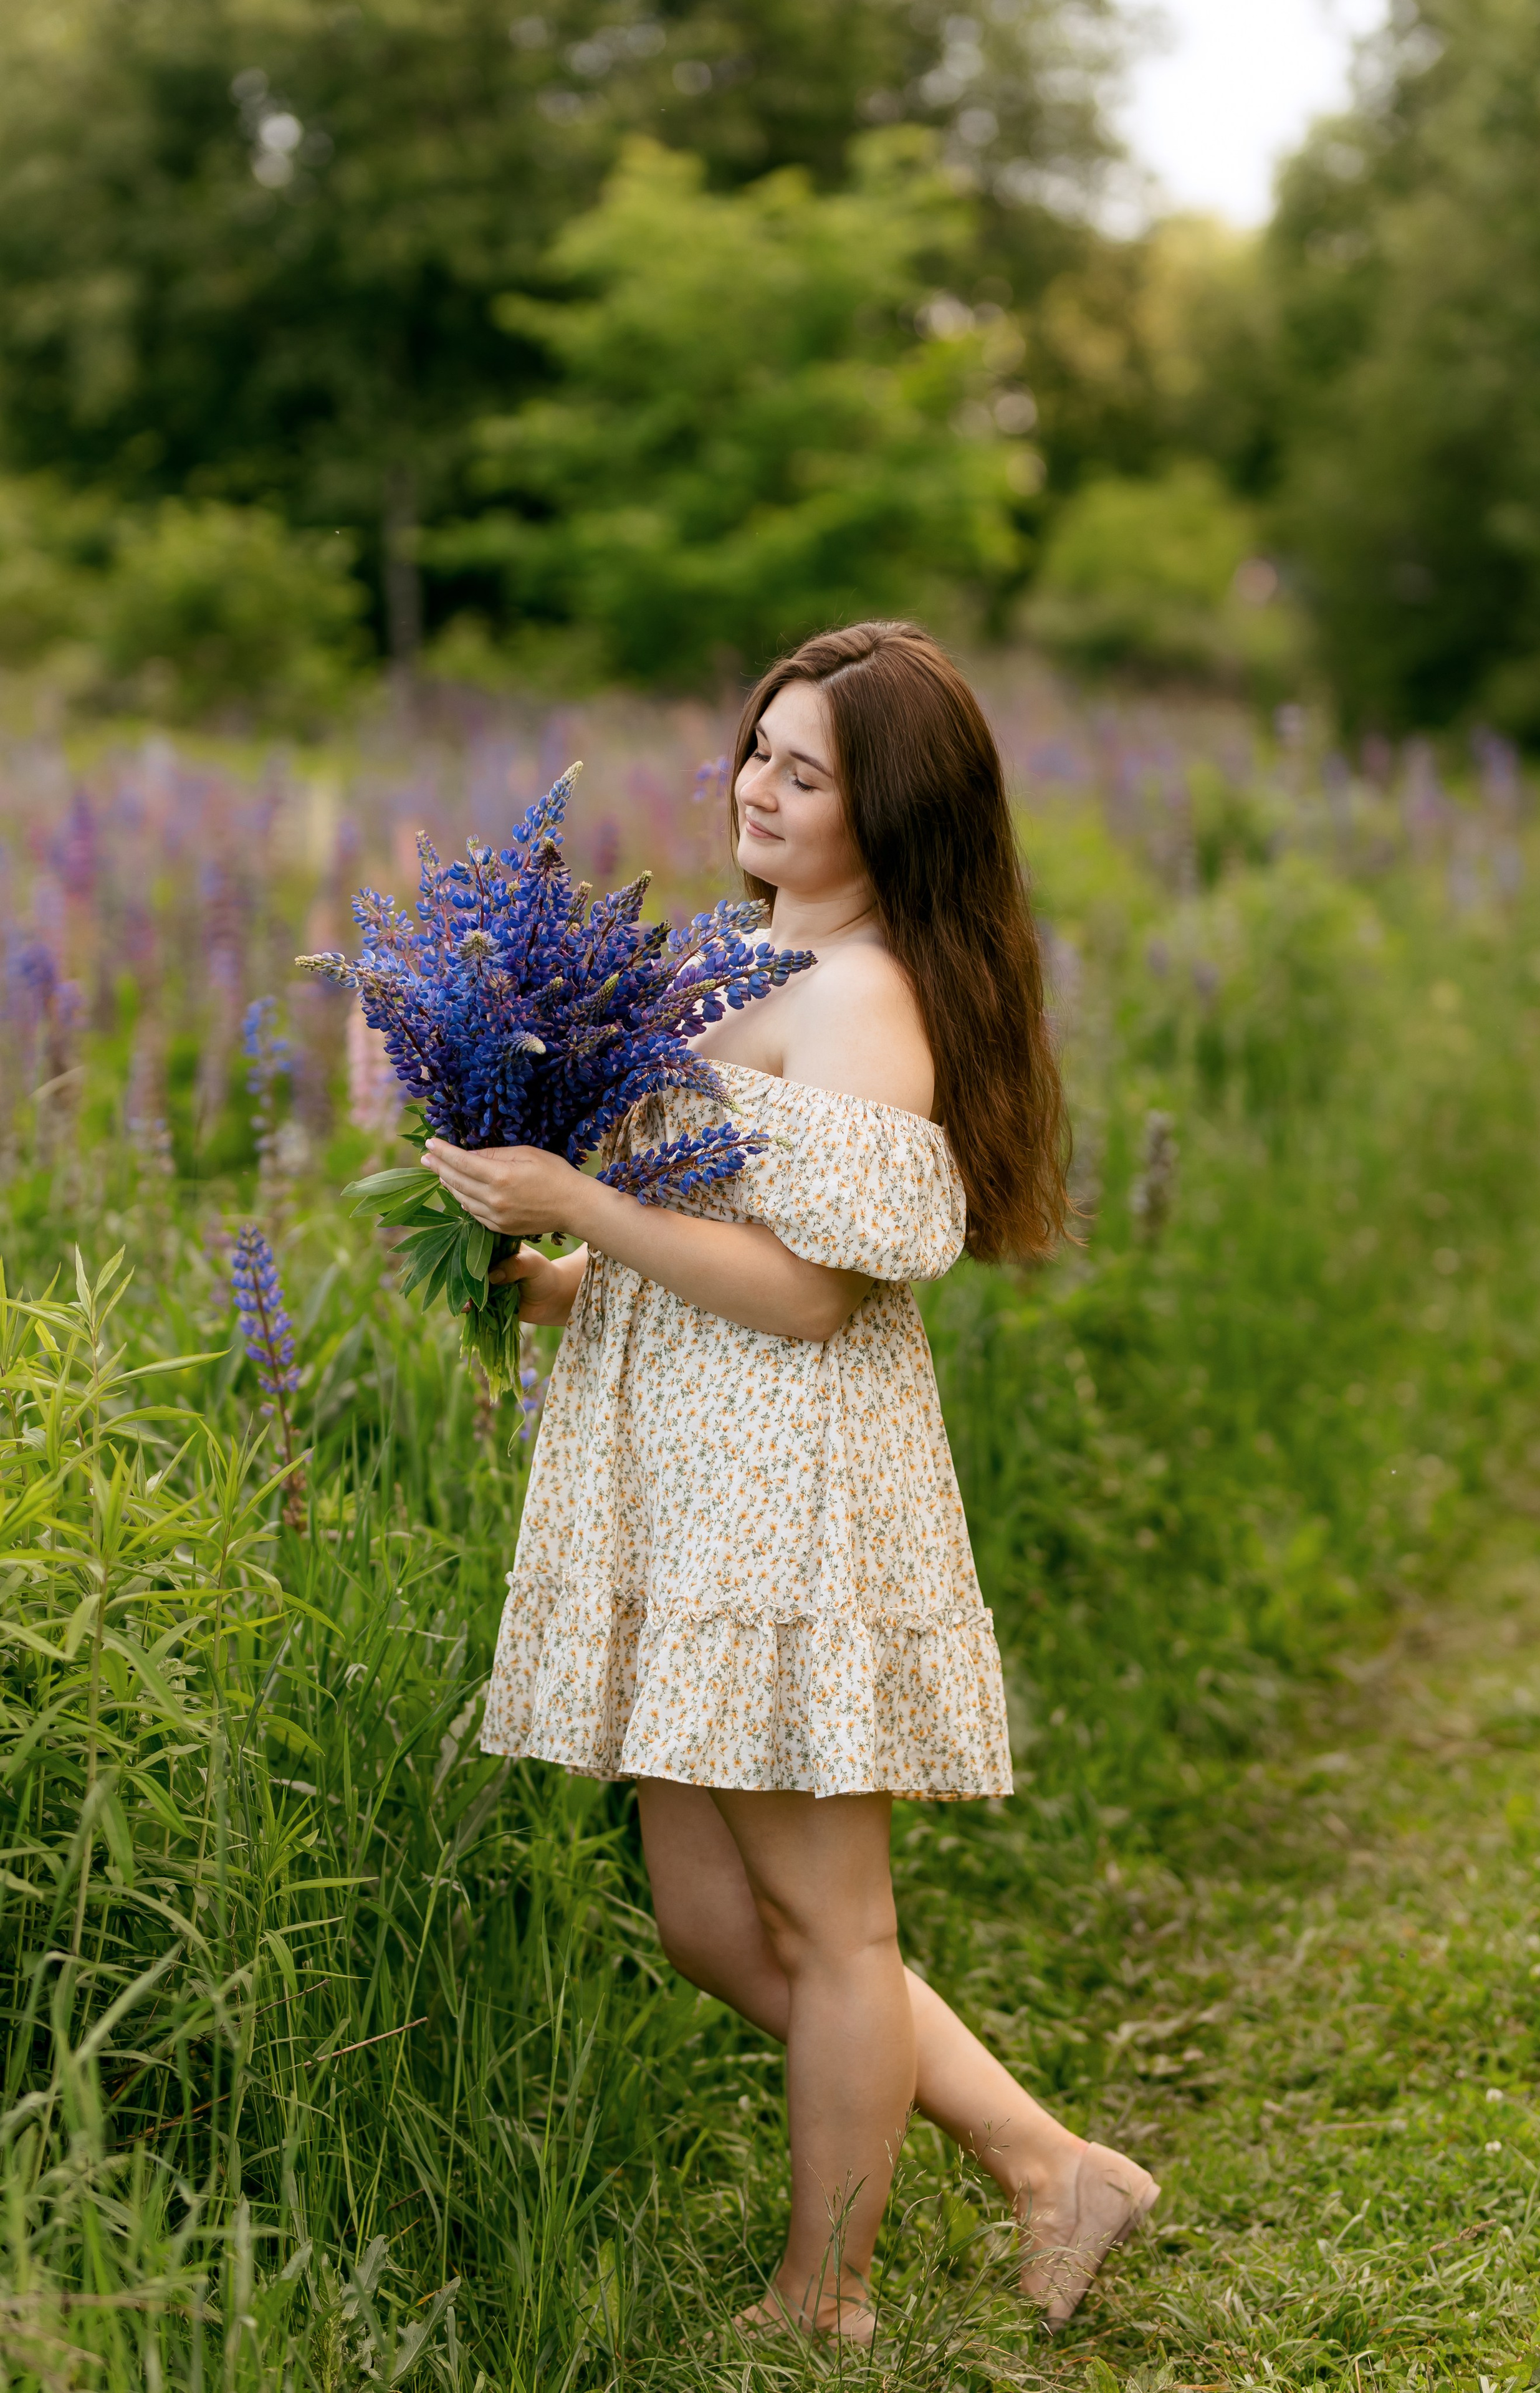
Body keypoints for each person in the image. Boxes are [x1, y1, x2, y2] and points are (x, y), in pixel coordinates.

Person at [421, 621, 1159, 2343]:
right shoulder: (743, 966)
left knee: (831, 1926)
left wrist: (582, 1205)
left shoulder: (870, 1001)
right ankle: (1054, 2166)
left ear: (889, 813)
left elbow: (821, 1293)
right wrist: (557, 1275)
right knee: (705, 1921)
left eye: (806, 769)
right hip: (687, 1485)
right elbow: (719, 1235)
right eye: (759, 746)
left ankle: (824, 2297)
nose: (759, 781)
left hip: (795, 1501)